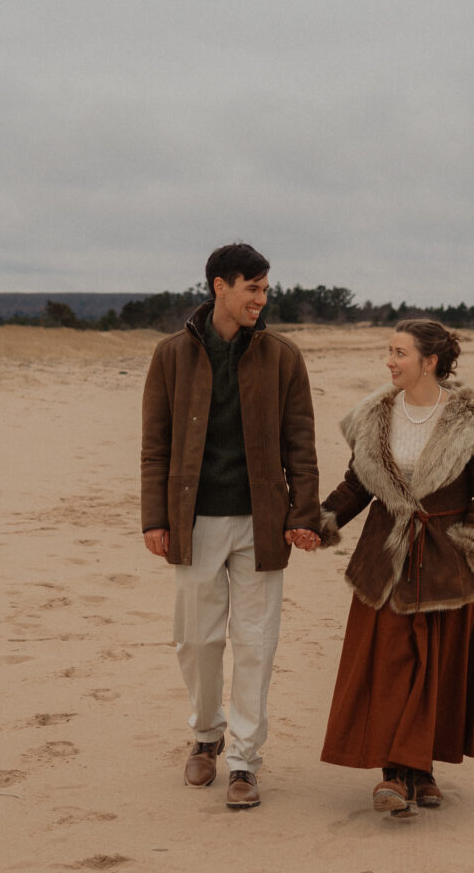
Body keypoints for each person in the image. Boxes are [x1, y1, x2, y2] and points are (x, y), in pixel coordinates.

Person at [141, 243, 320, 809]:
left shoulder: (283, 356)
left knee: (256, 643)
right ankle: (205, 733)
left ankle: (243, 760)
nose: (262, 301)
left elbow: (302, 445)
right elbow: (155, 447)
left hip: (262, 522)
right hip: (192, 520)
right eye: (254, 289)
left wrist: (304, 514)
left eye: (266, 291)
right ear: (220, 286)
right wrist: (154, 517)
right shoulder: (170, 356)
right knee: (196, 640)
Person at [318, 319, 474, 817]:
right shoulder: (375, 414)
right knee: (390, 662)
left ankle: (420, 768)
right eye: (389, 351)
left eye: (399, 352)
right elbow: (358, 485)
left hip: (447, 561)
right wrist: (321, 523)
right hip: (384, 557)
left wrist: (470, 543)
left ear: (429, 361)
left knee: (436, 664)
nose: (389, 361)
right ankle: (394, 774)